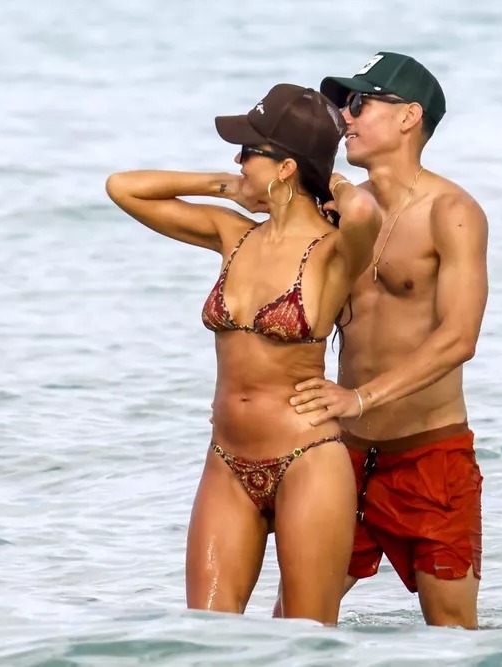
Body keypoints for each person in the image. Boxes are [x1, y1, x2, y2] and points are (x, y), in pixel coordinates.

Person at [105, 83, 382, 626]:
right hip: (227, 462)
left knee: (306, 641)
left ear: (285, 167)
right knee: (207, 638)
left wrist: (329, 179)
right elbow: (123, 188)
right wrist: (227, 186)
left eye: (248, 151)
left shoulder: (332, 253)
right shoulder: (232, 234)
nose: (237, 159)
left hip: (307, 459)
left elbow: (364, 211)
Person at [283, 52, 490, 628]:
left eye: (359, 102)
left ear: (408, 116)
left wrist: (360, 398)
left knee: (453, 637)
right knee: (295, 625)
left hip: (429, 456)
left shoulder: (453, 212)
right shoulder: (336, 210)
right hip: (340, 454)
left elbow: (459, 338)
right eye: (342, 105)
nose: (344, 116)